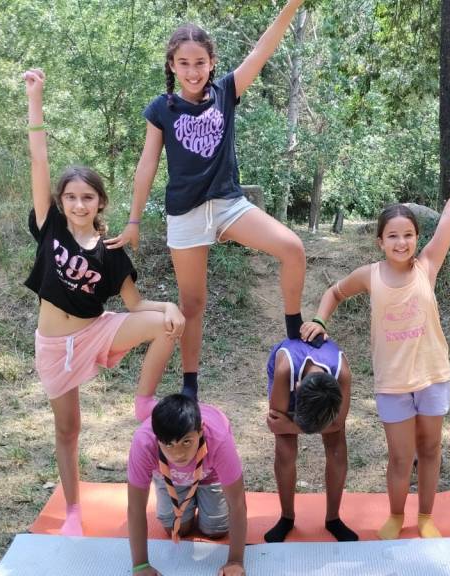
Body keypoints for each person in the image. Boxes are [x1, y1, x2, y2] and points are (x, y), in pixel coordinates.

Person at [107, 0, 310, 400]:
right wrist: (133, 220)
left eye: (200, 62)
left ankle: (294, 336)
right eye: (183, 63)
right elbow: (147, 165)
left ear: (212, 62)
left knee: (293, 248)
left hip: (228, 204)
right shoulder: (161, 108)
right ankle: (190, 386)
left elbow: (262, 50)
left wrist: (291, 6)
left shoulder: (226, 91)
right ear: (172, 65)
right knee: (192, 304)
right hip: (185, 214)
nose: (192, 71)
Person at [301, 145, 450, 539]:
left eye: (408, 235)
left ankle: (425, 517)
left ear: (416, 238)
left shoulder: (427, 266)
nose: (401, 242)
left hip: (432, 377)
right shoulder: (370, 275)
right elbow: (334, 292)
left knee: (429, 451)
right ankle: (396, 514)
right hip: (392, 383)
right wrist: (320, 320)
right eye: (392, 236)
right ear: (380, 241)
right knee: (399, 456)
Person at [22, 69, 185, 536]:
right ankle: (73, 511)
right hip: (55, 346)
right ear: (61, 201)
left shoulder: (111, 251)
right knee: (68, 430)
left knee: (168, 325)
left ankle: (143, 399)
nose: (79, 205)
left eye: (87, 198)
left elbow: (135, 305)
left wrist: (169, 307)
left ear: (100, 202)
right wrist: (36, 98)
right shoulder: (50, 225)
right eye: (71, 197)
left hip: (96, 331)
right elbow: (38, 159)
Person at [127, 394, 246, 576]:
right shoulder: (143, 443)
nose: (178, 454)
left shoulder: (219, 440)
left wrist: (235, 561)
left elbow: (237, 503)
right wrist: (140, 566)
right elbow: (135, 507)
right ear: (157, 439)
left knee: (216, 530)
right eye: (168, 445)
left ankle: (200, 499)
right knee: (175, 529)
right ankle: (189, 502)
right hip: (170, 475)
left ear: (200, 430)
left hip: (209, 474)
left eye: (186, 442)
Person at [263, 338, 356, 543]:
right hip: (289, 372)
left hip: (321, 388)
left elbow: (337, 424)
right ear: (296, 389)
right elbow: (276, 422)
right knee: (286, 451)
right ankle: (287, 517)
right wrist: (289, 427)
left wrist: (291, 426)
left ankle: (333, 518)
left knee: (337, 450)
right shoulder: (284, 370)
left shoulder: (342, 375)